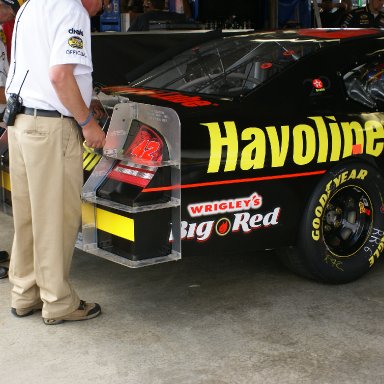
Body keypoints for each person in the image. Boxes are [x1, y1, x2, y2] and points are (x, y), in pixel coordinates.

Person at [5, 0, 107, 325]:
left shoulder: (31, 6)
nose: (100, 9)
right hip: (51, 129)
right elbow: (60, 75)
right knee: (55, 221)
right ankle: (59, 302)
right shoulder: (71, 9)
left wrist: (84, 99)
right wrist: (88, 123)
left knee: (29, 217)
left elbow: (39, 70)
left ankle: (25, 293)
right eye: (103, 3)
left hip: (22, 124)